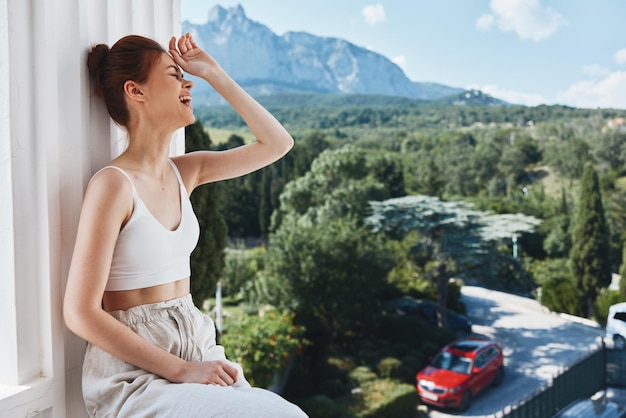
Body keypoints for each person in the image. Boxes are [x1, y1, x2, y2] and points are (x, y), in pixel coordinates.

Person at [63, 33, 308, 417]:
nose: (187, 82)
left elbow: (277, 143)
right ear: (135, 91)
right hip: (137, 377)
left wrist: (215, 74)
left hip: (199, 350)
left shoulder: (186, 172)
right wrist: (181, 370)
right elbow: (80, 312)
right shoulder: (113, 184)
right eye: (175, 74)